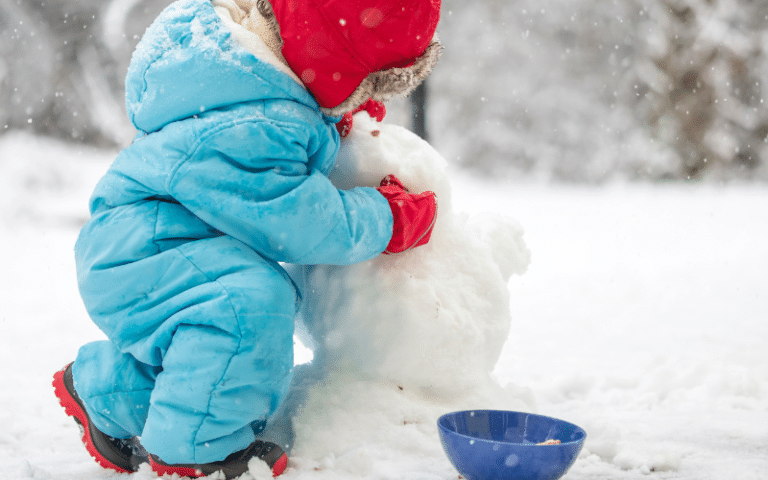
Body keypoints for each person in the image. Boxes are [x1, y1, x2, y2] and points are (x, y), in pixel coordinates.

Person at [52, 0, 441, 477]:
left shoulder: (242, 74)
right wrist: (384, 218)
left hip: (150, 241)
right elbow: (299, 220)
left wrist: (328, 113)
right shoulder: (256, 123)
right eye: (366, 83)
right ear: (336, 65)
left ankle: (104, 392)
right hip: (151, 247)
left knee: (204, 367)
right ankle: (198, 453)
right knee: (245, 311)